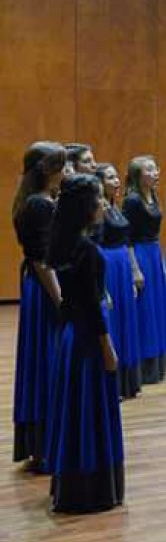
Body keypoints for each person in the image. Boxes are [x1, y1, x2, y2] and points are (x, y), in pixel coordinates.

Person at [45, 174, 125, 513]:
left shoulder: (62, 243)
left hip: (70, 337)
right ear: (85, 208)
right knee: (89, 408)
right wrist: (108, 347)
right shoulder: (88, 251)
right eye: (97, 201)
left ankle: (72, 482)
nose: (102, 205)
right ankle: (93, 488)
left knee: (72, 408)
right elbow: (93, 307)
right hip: (88, 339)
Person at [12, 141, 66, 471]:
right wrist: (62, 300)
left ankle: (46, 444)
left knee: (47, 360)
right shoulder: (39, 205)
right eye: (63, 166)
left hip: (42, 286)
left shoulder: (42, 201)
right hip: (47, 289)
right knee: (48, 361)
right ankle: (47, 445)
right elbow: (43, 260)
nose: (67, 172)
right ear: (47, 170)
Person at [94, 164, 142, 399]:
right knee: (112, 323)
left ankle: (127, 382)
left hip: (122, 266)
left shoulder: (115, 206)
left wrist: (133, 273)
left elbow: (126, 239)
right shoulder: (99, 209)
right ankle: (113, 383)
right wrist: (102, 286)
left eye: (116, 176)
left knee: (125, 321)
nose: (116, 181)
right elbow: (95, 246)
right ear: (100, 182)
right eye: (110, 177)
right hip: (109, 266)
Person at [123, 156, 166, 384]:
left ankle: (158, 363)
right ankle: (143, 365)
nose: (155, 173)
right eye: (149, 170)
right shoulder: (132, 200)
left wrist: (161, 260)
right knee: (144, 310)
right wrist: (134, 269)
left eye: (155, 168)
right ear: (137, 175)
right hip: (140, 254)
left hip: (153, 252)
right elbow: (127, 237)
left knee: (156, 308)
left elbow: (155, 233)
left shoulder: (154, 196)